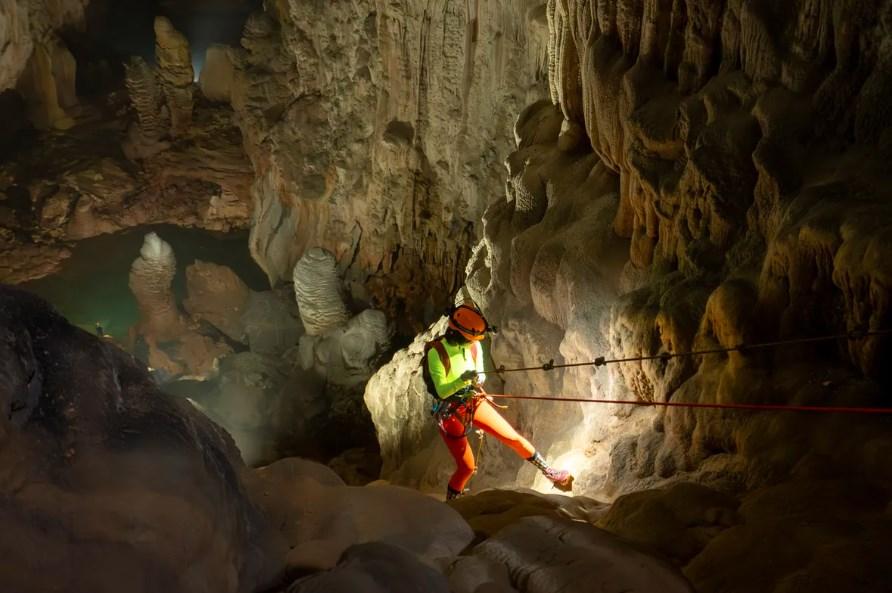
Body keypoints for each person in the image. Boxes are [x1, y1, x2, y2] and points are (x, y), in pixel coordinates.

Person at [425, 302, 574, 500]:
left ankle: (550, 473)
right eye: (469, 339)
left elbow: (480, 372)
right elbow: (442, 391)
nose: (472, 342)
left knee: (513, 437)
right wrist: (462, 380)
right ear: (457, 334)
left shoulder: (474, 345)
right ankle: (453, 505)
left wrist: (477, 378)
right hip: (450, 412)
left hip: (472, 401)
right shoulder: (436, 352)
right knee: (467, 467)